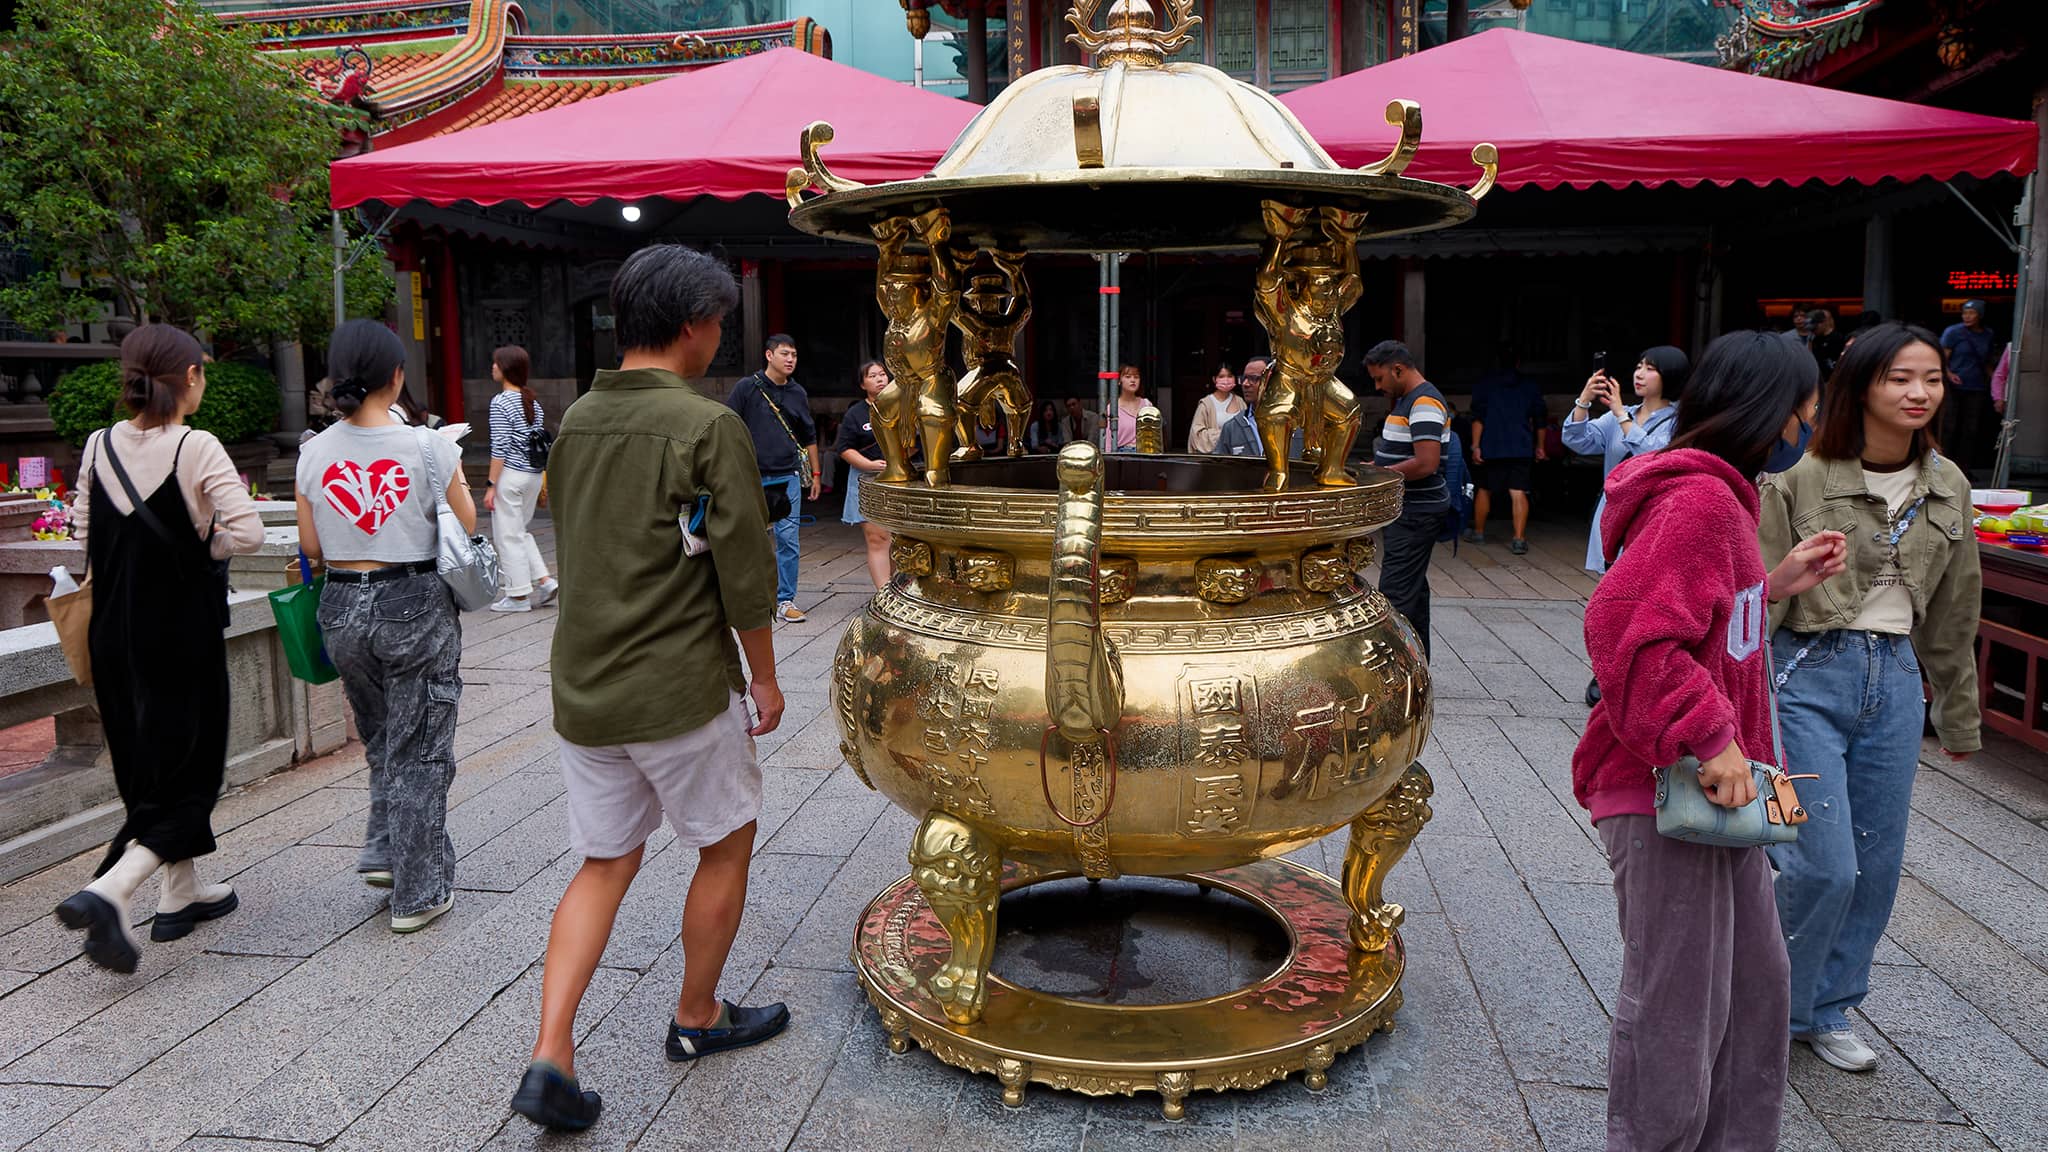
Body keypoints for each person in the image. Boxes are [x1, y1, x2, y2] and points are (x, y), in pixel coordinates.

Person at [510, 246, 788, 1133]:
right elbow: (744, 570)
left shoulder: (578, 417)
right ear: (687, 327)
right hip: (676, 685)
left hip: (585, 688)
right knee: (725, 842)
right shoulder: (708, 426)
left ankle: (552, 1051)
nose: (718, 341)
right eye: (715, 325)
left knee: (604, 862)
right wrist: (766, 676)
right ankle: (697, 1017)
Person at [1573, 329, 1847, 1152]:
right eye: (1808, 399)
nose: (1812, 414)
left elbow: (1701, 623)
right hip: (1670, 786)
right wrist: (1712, 736)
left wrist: (1775, 582)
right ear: (1778, 408)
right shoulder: (1699, 500)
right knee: (1679, 1005)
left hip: (1720, 789)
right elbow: (1625, 628)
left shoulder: (1724, 495)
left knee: (1754, 990)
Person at [1761, 322, 1982, 1074]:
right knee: (1822, 866)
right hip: (1807, 673)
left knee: (1876, 865)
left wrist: (1957, 713)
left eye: (1932, 378)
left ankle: (1829, 1007)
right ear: (1861, 387)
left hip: (1896, 681)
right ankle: (1772, 1004)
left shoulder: (1949, 484)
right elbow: (1757, 600)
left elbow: (1956, 610)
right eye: (1900, 378)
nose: (1919, 392)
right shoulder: (1799, 479)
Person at [55, 325, 264, 973]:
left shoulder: (96, 445)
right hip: (180, 636)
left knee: (149, 767)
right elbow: (250, 533)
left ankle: (181, 893)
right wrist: (208, 547)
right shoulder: (197, 446)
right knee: (192, 771)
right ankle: (111, 891)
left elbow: (82, 542)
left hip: (114, 636)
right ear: (191, 377)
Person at [296, 320, 474, 934]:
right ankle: (419, 893)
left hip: (342, 606)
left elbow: (311, 544)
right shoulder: (429, 446)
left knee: (384, 740)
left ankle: (385, 851)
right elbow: (466, 520)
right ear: (397, 377)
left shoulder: (312, 452)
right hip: (413, 600)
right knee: (421, 749)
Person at [1562, 346, 1691, 575]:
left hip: (1653, 515)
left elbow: (1653, 455)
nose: (1639, 374)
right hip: (1614, 513)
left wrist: (1621, 414)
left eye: (1650, 368)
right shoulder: (1619, 415)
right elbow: (1576, 439)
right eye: (1638, 367)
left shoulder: (1681, 421)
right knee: (1611, 582)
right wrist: (1584, 400)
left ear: (1670, 375)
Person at [725, 334, 819, 623]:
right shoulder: (747, 388)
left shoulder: (797, 393)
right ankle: (748, 595)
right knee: (749, 538)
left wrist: (816, 474)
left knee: (788, 538)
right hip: (751, 476)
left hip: (788, 475)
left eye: (794, 354)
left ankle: (785, 599)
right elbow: (727, 426)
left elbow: (808, 436)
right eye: (784, 354)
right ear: (769, 355)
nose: (790, 359)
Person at [1365, 341, 1449, 659]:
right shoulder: (1406, 401)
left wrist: (1381, 475)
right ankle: (1418, 661)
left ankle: (1392, 667)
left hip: (1418, 510)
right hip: (1408, 508)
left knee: (1396, 592)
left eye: (1380, 378)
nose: (1378, 387)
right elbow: (1397, 455)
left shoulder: (1424, 401)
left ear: (1397, 369)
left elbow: (1425, 464)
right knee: (1414, 589)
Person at [484, 345, 558, 613]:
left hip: (511, 477)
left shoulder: (501, 402)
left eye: (496, 363)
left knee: (508, 537)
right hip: (533, 476)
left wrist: (491, 484)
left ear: (506, 369)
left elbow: (500, 447)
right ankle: (545, 580)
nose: (492, 367)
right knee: (519, 532)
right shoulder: (532, 403)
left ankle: (517, 597)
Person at [1465, 346, 1548, 554]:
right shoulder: (1529, 386)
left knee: (1485, 488)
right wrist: (1540, 446)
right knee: (1518, 491)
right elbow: (1540, 419)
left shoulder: (1486, 384)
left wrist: (1476, 446)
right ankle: (1519, 539)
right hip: (1520, 445)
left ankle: (1479, 532)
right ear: (1518, 362)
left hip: (1492, 445)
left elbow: (1478, 417)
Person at [837, 360, 894, 588]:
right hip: (867, 480)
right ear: (862, 384)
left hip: (898, 480)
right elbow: (844, 448)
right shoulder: (856, 413)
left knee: (898, 541)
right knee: (878, 538)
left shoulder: (899, 406)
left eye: (883, 374)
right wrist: (869, 465)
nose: (880, 379)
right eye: (873, 376)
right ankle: (884, 593)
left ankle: (898, 589)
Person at [1939, 299, 1997, 477]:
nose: (1967, 316)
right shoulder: (1953, 332)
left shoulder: (1987, 334)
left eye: (1972, 313)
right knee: (1949, 427)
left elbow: (1987, 361)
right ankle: (1942, 468)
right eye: (1965, 313)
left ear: (1980, 315)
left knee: (1970, 430)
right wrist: (1948, 374)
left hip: (1976, 386)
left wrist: (1995, 383)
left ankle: (1963, 469)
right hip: (1953, 386)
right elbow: (1941, 359)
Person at [1213, 357, 1270, 458]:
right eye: (1244, 378)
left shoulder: (1296, 425)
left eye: (1253, 378)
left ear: (1272, 381)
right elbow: (1219, 469)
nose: (1245, 384)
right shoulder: (1232, 427)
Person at [1187, 362, 1247, 453]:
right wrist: (1225, 435)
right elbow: (1196, 435)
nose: (1226, 380)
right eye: (1221, 376)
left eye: (1230, 376)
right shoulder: (1206, 404)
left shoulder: (1240, 402)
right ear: (1214, 379)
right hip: (1215, 457)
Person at [1105, 364, 1155, 452]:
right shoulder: (1112, 407)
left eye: (1136, 377)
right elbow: (1108, 440)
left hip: (1145, 454)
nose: (1133, 380)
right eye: (1128, 377)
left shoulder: (1147, 405)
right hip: (1121, 455)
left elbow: (1154, 436)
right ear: (1119, 381)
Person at [1809, 308, 1845, 380]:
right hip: (1819, 379)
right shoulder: (1815, 340)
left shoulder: (1838, 338)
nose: (1814, 326)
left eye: (1817, 322)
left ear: (1824, 322)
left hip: (1835, 379)